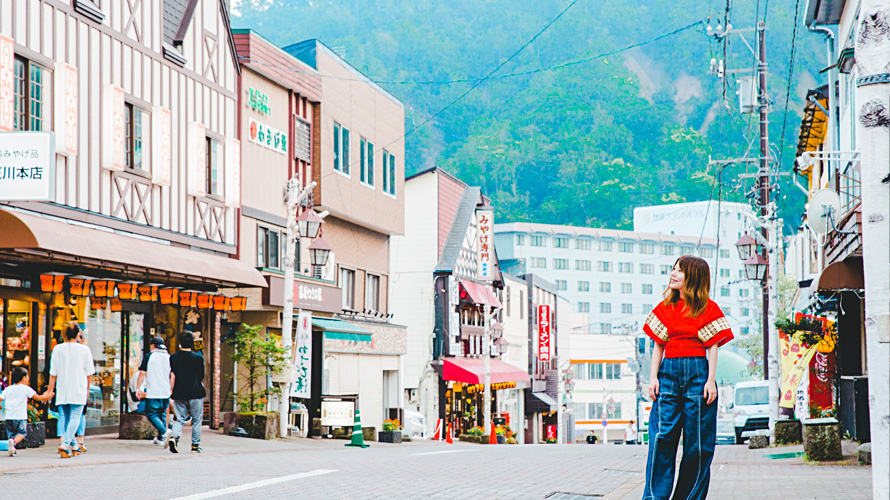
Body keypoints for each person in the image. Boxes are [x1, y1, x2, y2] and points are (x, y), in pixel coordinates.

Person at [642, 255, 734, 500]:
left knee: (699, 444)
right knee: (662, 437)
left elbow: (713, 346)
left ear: (692, 277)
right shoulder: (665, 307)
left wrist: (711, 380)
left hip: (698, 375)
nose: (673, 274)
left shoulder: (707, 308)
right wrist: (653, 378)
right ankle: (654, 497)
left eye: (679, 271)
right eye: (673, 269)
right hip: (668, 374)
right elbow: (658, 345)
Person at [46, 322, 95, 459]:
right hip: (78, 386)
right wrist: (87, 389)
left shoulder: (57, 349)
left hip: (63, 388)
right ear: (78, 334)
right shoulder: (84, 350)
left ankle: (73, 445)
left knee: (66, 417)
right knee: (75, 417)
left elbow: (53, 373)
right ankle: (65, 443)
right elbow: (89, 373)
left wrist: (50, 390)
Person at [0, 367, 54, 456]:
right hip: (20, 416)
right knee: (21, 433)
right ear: (24, 378)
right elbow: (38, 398)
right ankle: (13, 443)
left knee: (11, 434)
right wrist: (49, 396)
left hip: (9, 416)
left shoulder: (8, 389)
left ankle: (12, 448)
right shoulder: (26, 389)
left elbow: (1, 398)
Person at [168, 331, 206, 453]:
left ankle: (174, 437)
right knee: (196, 420)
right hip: (196, 391)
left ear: (180, 343)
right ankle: (195, 445)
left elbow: (173, 373)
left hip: (179, 392)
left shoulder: (173, 357)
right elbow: (201, 375)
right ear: (192, 344)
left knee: (179, 418)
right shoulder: (198, 358)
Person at [136, 337, 173, 447]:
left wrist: (138, 388)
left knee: (151, 414)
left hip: (153, 392)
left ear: (153, 346)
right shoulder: (169, 357)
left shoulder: (149, 356)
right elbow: (172, 374)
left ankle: (164, 432)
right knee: (161, 413)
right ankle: (160, 439)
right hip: (165, 391)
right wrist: (171, 389)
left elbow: (142, 373)